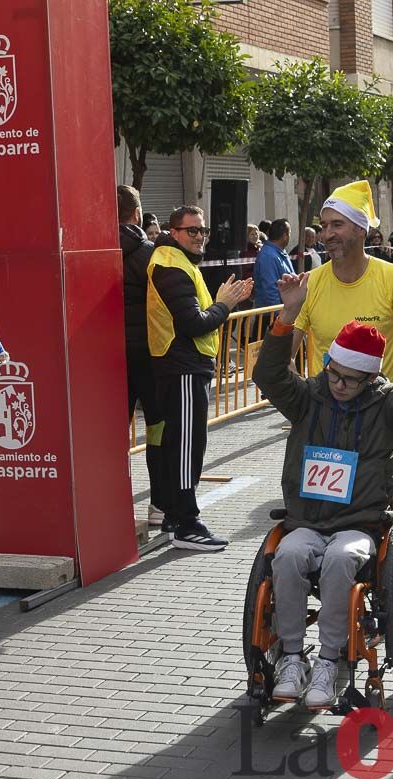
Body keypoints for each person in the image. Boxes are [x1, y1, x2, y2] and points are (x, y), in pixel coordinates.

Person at [253, 276, 393, 708]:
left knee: (338, 561)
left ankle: (331, 662)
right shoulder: (308, 397)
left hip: (358, 525)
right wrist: (288, 316)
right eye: (335, 374)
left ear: (370, 377)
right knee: (289, 556)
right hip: (307, 520)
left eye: (351, 379)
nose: (340, 385)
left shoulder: (385, 404)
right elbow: (268, 375)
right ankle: (293, 658)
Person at [289, 180, 393, 510]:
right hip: (325, 415)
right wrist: (300, 397)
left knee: (386, 518)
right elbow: (283, 353)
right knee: (318, 516)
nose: (327, 234)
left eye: (337, 224)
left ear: (362, 230)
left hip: (380, 415)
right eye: (323, 226)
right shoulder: (313, 283)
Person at [147, 205, 252, 550]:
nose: (199, 237)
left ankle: (178, 518)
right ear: (173, 232)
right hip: (183, 369)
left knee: (187, 445)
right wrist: (223, 304)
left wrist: (224, 303)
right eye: (192, 231)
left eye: (203, 231)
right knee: (185, 447)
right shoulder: (171, 266)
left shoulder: (179, 264)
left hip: (189, 367)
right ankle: (186, 523)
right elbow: (194, 323)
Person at [119, 185, 166, 528]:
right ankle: (159, 506)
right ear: (137, 214)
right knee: (158, 431)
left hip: (105, 359)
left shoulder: (92, 252)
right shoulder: (151, 255)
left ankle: (112, 505)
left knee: (110, 437)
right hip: (150, 357)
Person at [253, 218, 294, 308]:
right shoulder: (268, 256)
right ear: (284, 236)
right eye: (289, 233)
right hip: (272, 316)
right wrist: (279, 316)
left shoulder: (279, 252)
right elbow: (270, 290)